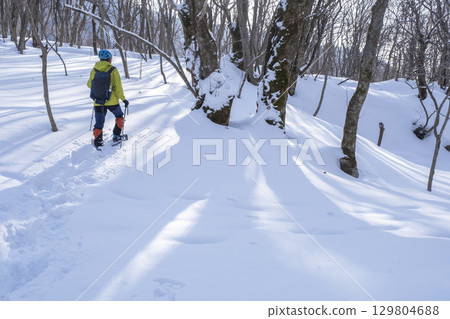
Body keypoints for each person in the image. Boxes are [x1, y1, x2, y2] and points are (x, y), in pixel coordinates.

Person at [87, 49, 129, 147]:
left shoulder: (94, 70)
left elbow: (89, 84)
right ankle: (116, 136)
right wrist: (123, 99)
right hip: (112, 101)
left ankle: (98, 141)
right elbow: (118, 87)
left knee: (99, 121)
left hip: (98, 101)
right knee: (119, 115)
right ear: (109, 59)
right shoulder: (113, 70)